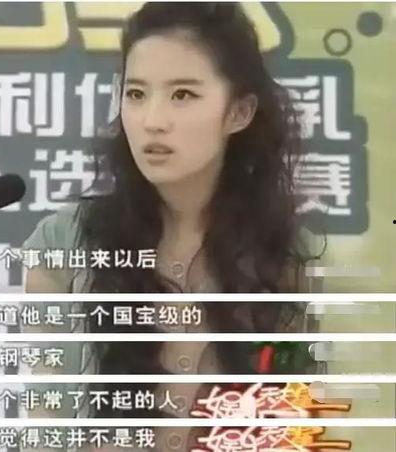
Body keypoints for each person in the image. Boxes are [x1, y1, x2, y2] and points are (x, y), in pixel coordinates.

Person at [22, 3, 330, 451]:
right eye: (136, 94)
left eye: (182, 95)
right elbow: (44, 424)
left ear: (239, 112)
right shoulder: (63, 242)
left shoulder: (289, 258)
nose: (152, 121)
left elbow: (297, 433)